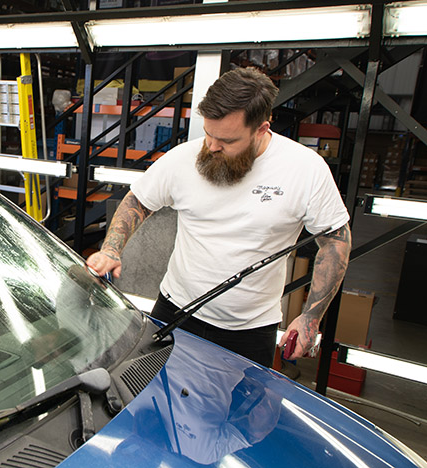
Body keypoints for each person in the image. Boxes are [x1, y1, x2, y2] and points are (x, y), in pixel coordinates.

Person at [86, 67, 351, 367]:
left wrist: (311, 317)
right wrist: (111, 248)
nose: (212, 146)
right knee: (149, 399)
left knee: (240, 414)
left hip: (251, 331)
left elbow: (335, 242)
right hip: (175, 312)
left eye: (226, 140)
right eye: (208, 133)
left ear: (262, 130)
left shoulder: (305, 169)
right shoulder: (184, 159)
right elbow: (139, 201)